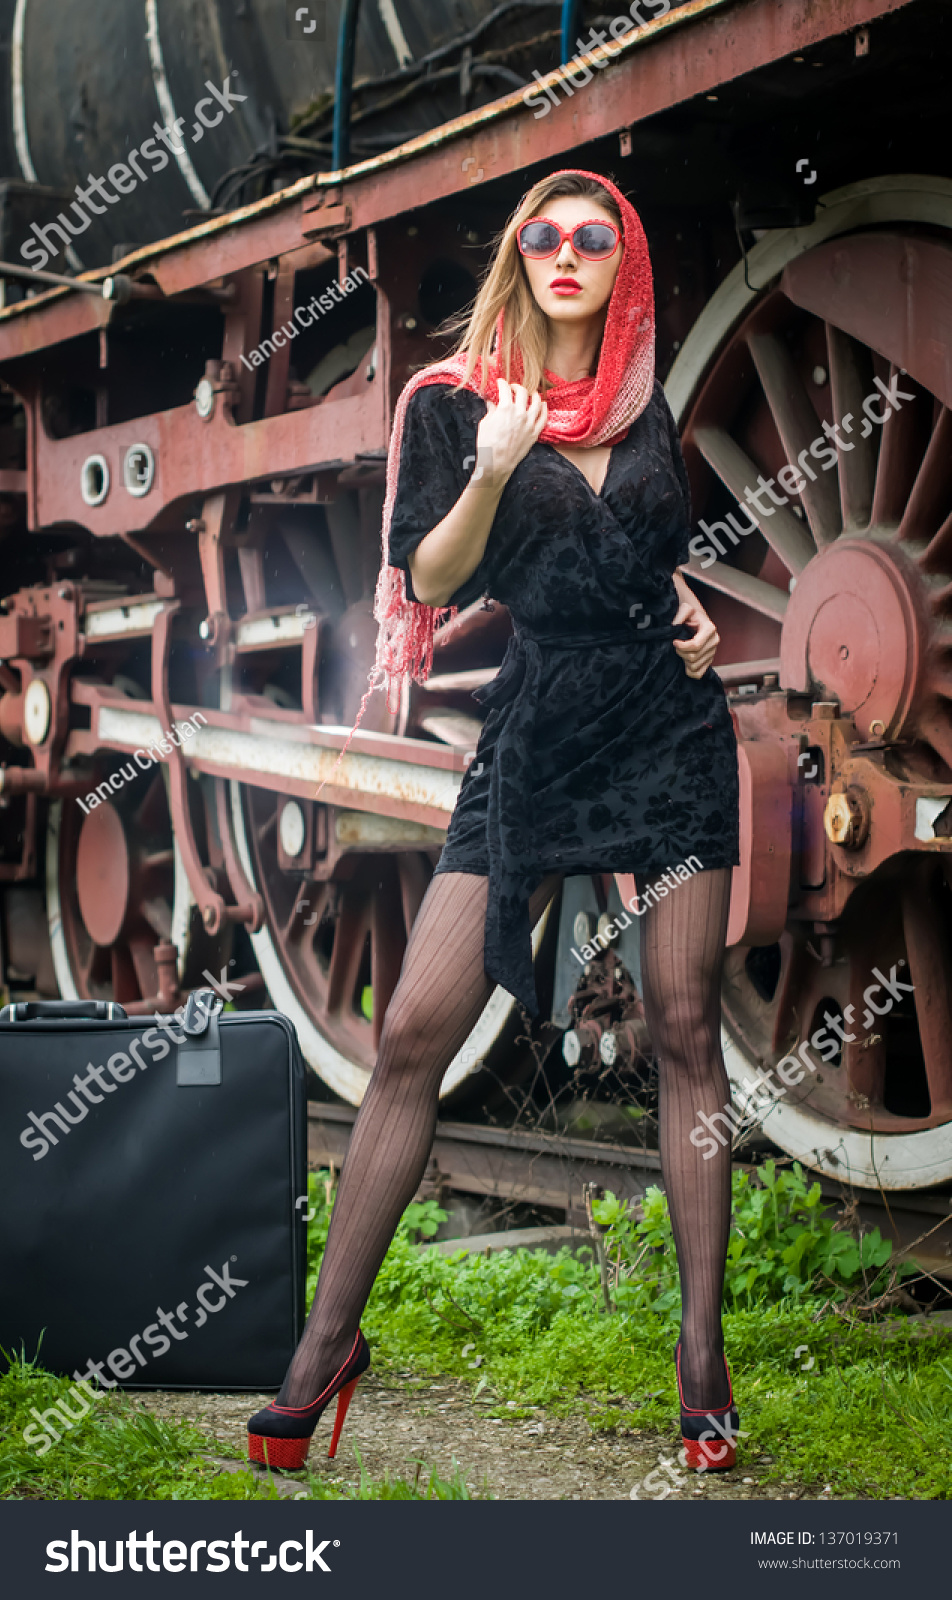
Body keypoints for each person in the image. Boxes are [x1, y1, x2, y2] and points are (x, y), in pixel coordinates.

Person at [248, 169, 741, 1475]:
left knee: (686, 1025)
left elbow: (642, 541)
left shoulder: (645, 399)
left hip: (669, 723)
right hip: (536, 728)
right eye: (544, 235)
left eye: (594, 236)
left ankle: (703, 1362)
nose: (567, 253)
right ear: (517, 257)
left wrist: (686, 603)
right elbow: (435, 573)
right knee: (413, 1028)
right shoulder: (455, 403)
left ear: (621, 261)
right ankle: (324, 1350)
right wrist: (495, 468)